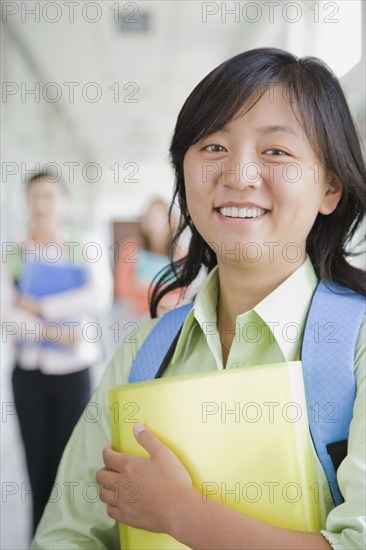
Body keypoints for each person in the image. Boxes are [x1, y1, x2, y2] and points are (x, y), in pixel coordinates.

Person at [32, 48, 365, 549]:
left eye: (276, 152)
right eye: (213, 147)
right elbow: (70, 534)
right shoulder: (144, 353)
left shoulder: (356, 347)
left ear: (330, 187)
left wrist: (184, 516)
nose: (239, 174)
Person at [1, 172, 113, 535]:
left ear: (64, 203)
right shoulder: (14, 254)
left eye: (50, 196)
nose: (42, 204)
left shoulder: (86, 245)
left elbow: (97, 298)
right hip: (28, 374)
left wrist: (38, 307)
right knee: (37, 467)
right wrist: (59, 331)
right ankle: (39, 540)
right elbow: (7, 314)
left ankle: (71, 539)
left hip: (73, 374)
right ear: (26, 203)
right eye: (35, 196)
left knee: (71, 466)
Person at [114, 198, 184, 318]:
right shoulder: (131, 248)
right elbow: (122, 288)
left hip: (169, 318)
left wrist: (143, 287)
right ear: (144, 223)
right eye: (152, 218)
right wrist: (162, 295)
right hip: (138, 317)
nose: (156, 223)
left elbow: (184, 292)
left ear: (170, 222)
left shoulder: (180, 253)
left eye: (161, 217)